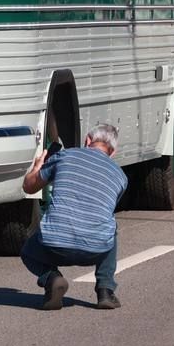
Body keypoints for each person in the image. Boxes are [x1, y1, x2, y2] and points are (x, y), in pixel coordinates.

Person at [20, 123, 128, 310]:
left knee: (28, 252)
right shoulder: (120, 176)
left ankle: (51, 278)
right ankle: (105, 291)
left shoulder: (65, 156)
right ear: (113, 152)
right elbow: (105, 211)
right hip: (95, 249)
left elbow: (29, 187)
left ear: (87, 140)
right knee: (110, 226)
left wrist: (38, 168)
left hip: (55, 245)